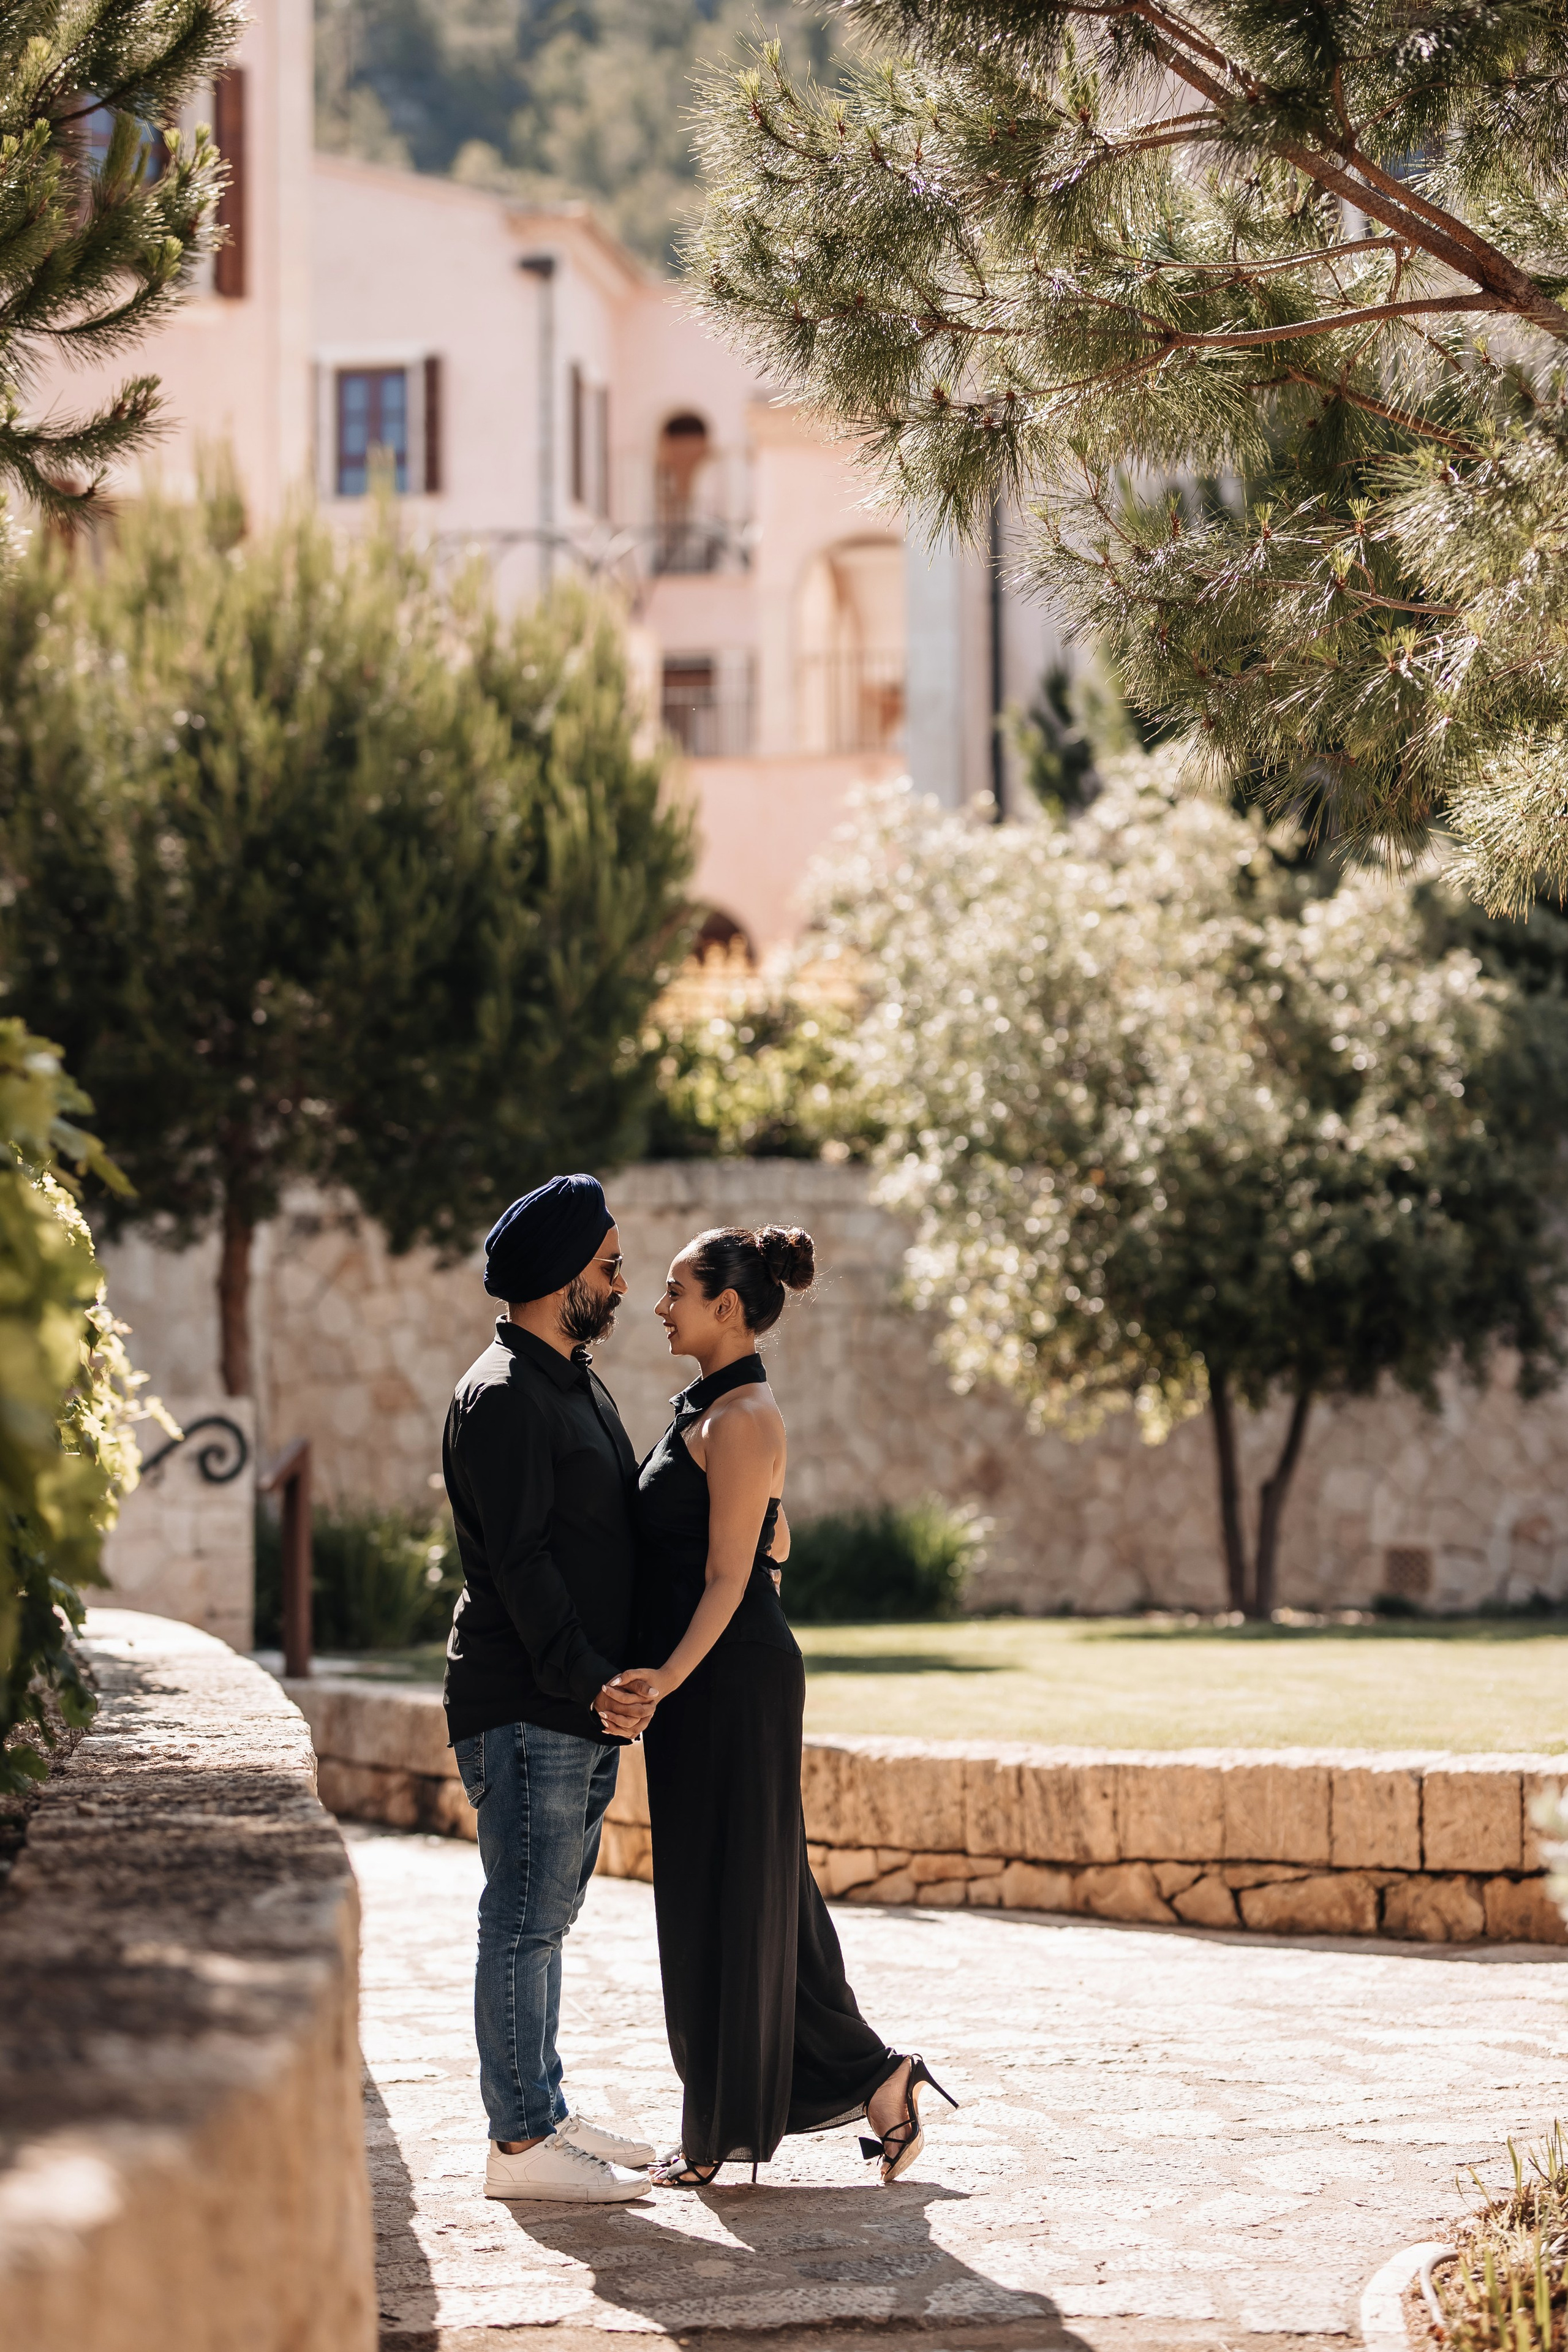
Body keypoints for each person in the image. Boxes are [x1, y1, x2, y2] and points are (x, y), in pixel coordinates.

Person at [612, 1224, 956, 2188]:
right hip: (711, 1675)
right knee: (759, 1892)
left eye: (678, 1289)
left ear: (729, 1306)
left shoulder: (745, 1417)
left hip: (727, 1676)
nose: (660, 1303)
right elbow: (766, 1542)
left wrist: (667, 1680)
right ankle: (879, 2077)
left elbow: (730, 1578)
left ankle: (720, 2124)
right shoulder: (714, 1411)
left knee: (728, 1894)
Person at [442, 1171, 658, 2206]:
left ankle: (545, 2107)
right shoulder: (502, 1394)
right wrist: (594, 1682)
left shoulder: (569, 1378)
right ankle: (521, 2146)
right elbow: (522, 1566)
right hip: (529, 1703)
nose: (622, 1286)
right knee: (522, 1917)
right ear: (559, 1277)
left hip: (574, 1704)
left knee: (549, 1916)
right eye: (610, 1268)